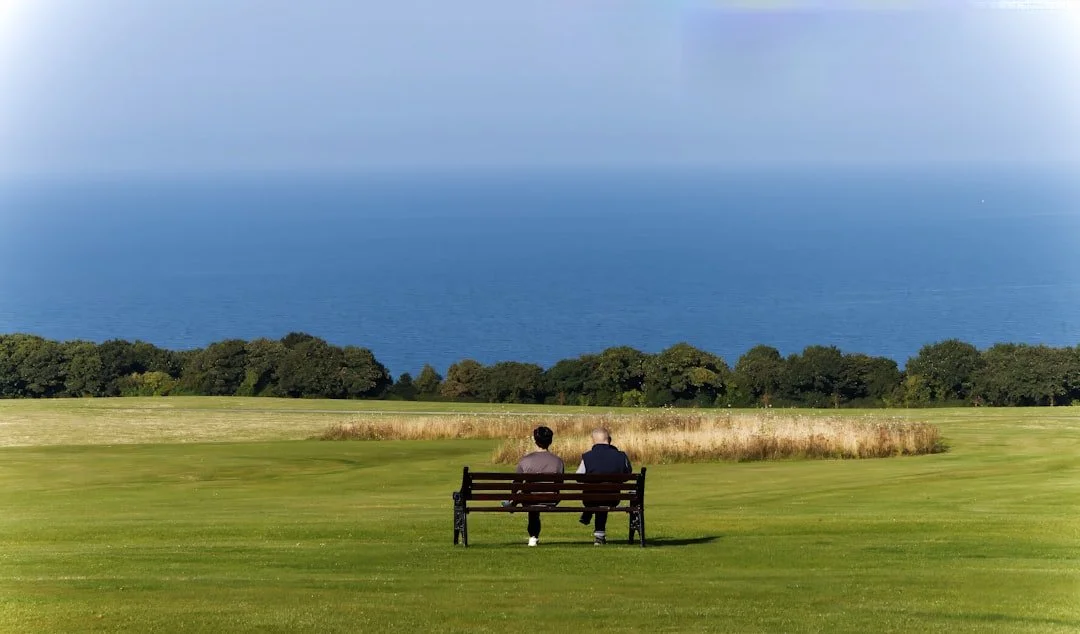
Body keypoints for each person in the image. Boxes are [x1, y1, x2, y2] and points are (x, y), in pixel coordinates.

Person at [576, 427, 632, 545]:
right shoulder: (621, 456)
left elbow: (579, 477)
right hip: (613, 498)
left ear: (593, 440)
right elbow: (627, 475)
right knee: (604, 496)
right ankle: (599, 535)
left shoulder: (587, 456)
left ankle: (589, 514)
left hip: (590, 499)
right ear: (609, 440)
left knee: (596, 496)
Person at [514, 426, 565, 547]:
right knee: (532, 499)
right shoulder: (558, 461)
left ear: (535, 440)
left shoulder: (525, 460)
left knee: (530, 500)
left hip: (530, 500)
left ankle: (533, 537)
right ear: (550, 441)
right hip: (551, 500)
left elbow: (516, 483)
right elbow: (560, 484)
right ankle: (533, 536)